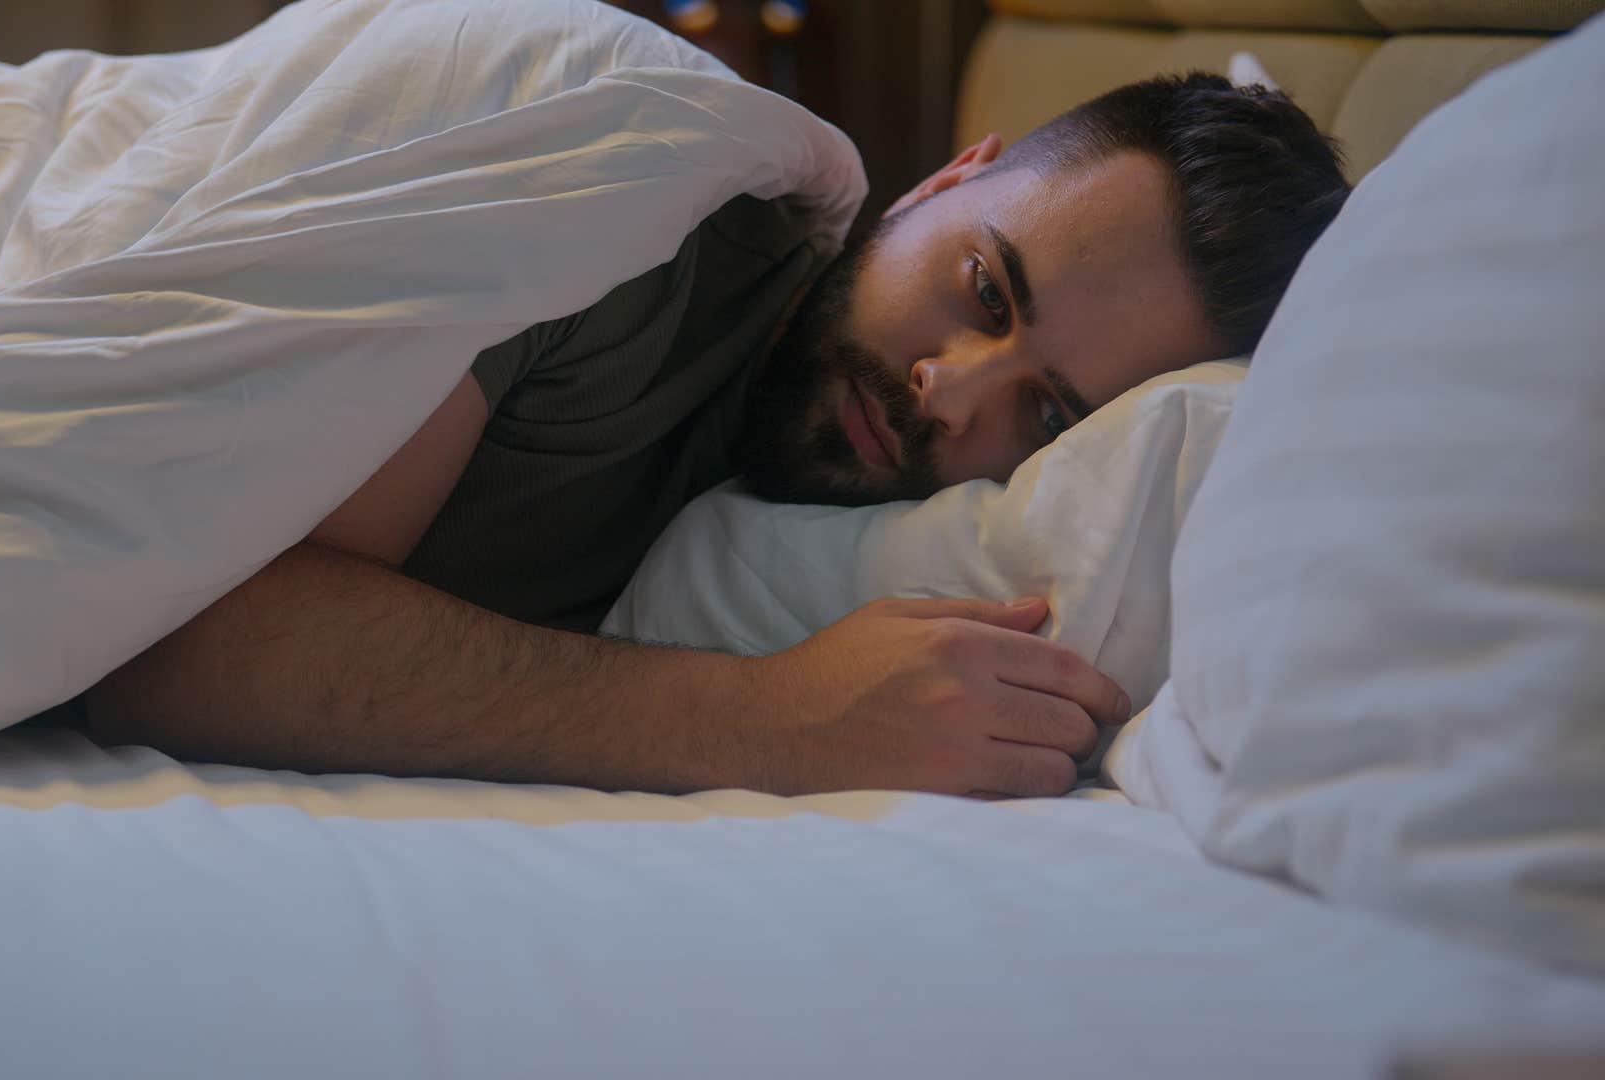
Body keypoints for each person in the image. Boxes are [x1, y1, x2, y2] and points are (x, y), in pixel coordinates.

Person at [80, 73, 1350, 799]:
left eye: (1052, 414)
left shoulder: (849, 536)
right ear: (945, 180)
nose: (954, 394)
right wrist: (752, 719)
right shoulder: (624, 227)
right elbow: (175, 635)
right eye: (984, 292)